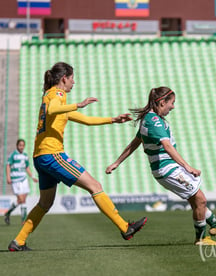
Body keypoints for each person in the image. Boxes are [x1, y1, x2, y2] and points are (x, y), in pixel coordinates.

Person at [8, 62, 147, 252]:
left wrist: (112, 120)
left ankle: (19, 241)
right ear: (64, 78)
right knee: (95, 186)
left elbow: (86, 120)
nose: (74, 82)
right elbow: (53, 110)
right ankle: (125, 228)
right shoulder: (57, 94)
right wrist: (79, 104)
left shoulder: (51, 97)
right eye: (72, 78)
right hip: (52, 154)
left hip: (41, 157)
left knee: (45, 203)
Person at [106, 86, 216, 246]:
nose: (173, 106)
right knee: (201, 200)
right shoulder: (154, 121)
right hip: (168, 169)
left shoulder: (149, 119)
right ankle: (201, 239)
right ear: (162, 102)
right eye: (172, 103)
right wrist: (188, 166)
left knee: (196, 200)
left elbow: (135, 142)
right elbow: (167, 146)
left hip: (167, 169)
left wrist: (117, 162)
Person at [4, 139, 38, 225]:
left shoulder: (25, 156)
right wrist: (8, 177)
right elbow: (8, 165)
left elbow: (27, 167)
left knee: (22, 200)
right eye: (20, 145)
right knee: (21, 199)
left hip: (24, 179)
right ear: (17, 145)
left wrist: (32, 177)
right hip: (15, 179)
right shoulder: (13, 155)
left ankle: (8, 213)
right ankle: (24, 220)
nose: (21, 147)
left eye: (23, 145)